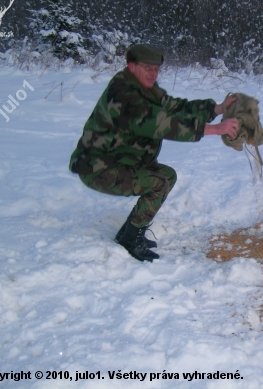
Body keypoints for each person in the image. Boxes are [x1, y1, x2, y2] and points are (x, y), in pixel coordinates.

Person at [69, 44, 239, 262]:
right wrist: (214, 130)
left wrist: (217, 109)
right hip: (98, 167)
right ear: (131, 66)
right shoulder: (123, 95)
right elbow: (161, 124)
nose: (153, 74)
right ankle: (130, 240)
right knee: (157, 183)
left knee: (167, 176)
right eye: (147, 68)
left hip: (122, 160)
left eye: (156, 69)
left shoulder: (145, 88)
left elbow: (174, 107)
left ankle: (129, 232)